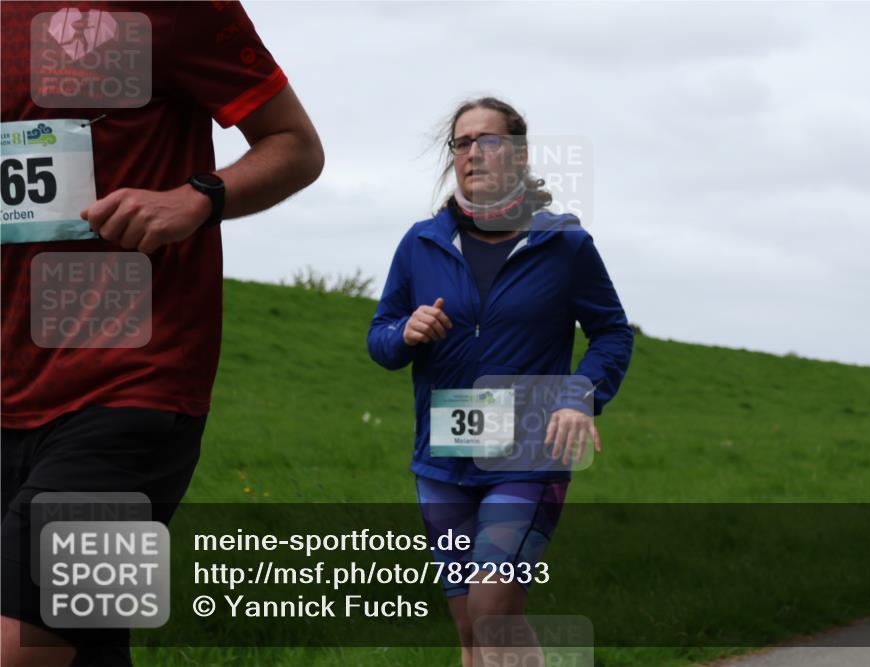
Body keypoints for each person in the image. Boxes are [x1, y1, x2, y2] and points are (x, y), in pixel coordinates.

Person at [1, 2, 324, 665]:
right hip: (10, 388)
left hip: (132, 389)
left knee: (20, 644)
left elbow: (295, 144)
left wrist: (197, 197)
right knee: (84, 644)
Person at [368, 97, 633, 666]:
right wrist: (405, 332)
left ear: (518, 154)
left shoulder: (564, 246)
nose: (472, 153)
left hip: (528, 455)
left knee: (492, 611)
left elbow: (612, 333)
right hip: (443, 456)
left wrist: (579, 395)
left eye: (487, 140)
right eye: (461, 143)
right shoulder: (422, 243)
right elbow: (379, 338)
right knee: (471, 629)